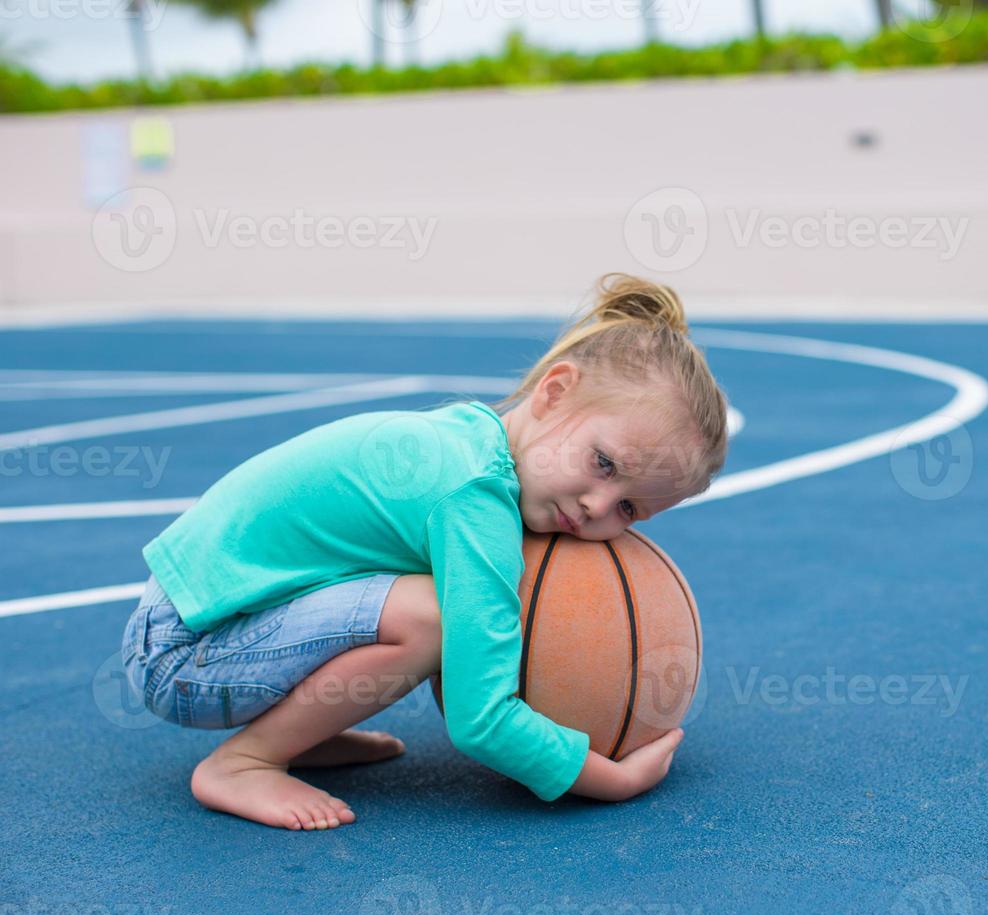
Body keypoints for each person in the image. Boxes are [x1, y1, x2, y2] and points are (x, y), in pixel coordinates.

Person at [117, 273, 728, 831]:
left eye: (630, 509)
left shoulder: (470, 441)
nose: (599, 506)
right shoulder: (473, 500)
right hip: (182, 659)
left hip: (198, 622)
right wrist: (611, 780)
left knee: (423, 602)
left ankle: (299, 729)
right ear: (554, 392)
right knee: (435, 618)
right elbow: (480, 719)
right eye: (603, 464)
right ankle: (245, 762)